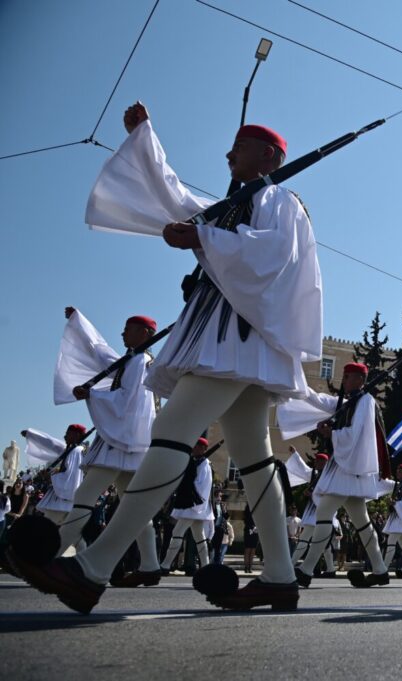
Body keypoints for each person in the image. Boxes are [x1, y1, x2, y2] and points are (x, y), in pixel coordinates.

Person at [14, 103, 322, 614]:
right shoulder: (236, 203)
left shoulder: (279, 200)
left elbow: (272, 255)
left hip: (235, 342)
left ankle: (93, 569)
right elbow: (176, 196)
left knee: (173, 433)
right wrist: (145, 139)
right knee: (255, 459)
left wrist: (202, 236)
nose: (229, 154)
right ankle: (281, 576)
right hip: (237, 344)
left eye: (239, 147)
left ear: (268, 155)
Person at [52, 308, 162, 588]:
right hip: (127, 443)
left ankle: (51, 557)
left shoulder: (139, 363)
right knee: (135, 507)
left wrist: (92, 394)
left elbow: (127, 403)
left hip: (120, 442)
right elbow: (100, 352)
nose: (123, 333)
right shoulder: (133, 360)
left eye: (129, 328)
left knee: (84, 497)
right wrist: (79, 321)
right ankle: (150, 565)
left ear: (145, 334)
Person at [277, 362, 391, 589]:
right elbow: (319, 400)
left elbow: (357, 434)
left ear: (359, 379)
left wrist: (332, 433)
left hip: (349, 469)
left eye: (348, 377)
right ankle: (380, 570)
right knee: (362, 522)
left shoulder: (365, 401)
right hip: (347, 470)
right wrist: (297, 384)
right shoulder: (350, 402)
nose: (344, 381)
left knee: (325, 511)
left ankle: (306, 570)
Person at [160, 438, 215, 574]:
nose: (194, 448)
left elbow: (203, 488)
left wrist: (193, 502)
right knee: (199, 537)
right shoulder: (195, 463)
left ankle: (165, 565)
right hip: (192, 506)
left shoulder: (204, 465)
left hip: (194, 506)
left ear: (203, 449)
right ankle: (206, 566)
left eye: (197, 446)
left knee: (177, 533)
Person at [21, 425, 88, 525]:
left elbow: (71, 477)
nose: (64, 437)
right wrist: (31, 435)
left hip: (63, 501)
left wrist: (50, 477)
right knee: (69, 535)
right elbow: (51, 443)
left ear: (76, 435)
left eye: (67, 434)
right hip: (64, 502)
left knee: (46, 530)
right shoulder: (71, 449)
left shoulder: (76, 451)